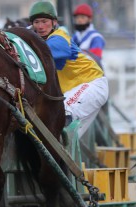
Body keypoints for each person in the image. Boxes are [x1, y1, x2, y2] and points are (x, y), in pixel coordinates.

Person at [29, 0, 109, 137]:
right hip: (76, 91)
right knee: (64, 138)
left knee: (58, 114)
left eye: (44, 21)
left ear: (54, 22)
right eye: (36, 22)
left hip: (92, 85)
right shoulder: (43, 38)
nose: (40, 26)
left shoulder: (59, 37)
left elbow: (43, 53)